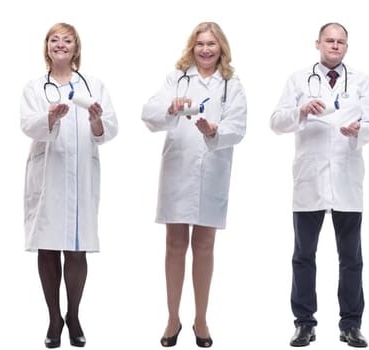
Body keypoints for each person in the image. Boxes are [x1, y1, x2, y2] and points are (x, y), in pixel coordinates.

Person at [270, 22, 369, 348]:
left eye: (341, 42)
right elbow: (276, 122)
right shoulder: (298, 79)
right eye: (329, 41)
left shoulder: (361, 80)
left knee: (351, 259)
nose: (335, 46)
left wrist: (359, 129)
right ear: (317, 42)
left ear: (347, 46)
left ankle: (351, 324)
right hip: (310, 181)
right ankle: (304, 323)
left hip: (347, 178)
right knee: (303, 256)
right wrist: (300, 111)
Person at [140, 21, 246, 348]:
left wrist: (214, 131)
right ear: (192, 46)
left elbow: (239, 126)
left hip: (212, 170)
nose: (205, 49)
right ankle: (173, 317)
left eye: (211, 44)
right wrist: (169, 109)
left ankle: (201, 319)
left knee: (204, 246)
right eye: (200, 43)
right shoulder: (177, 78)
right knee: (174, 244)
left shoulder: (231, 84)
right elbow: (149, 114)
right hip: (178, 168)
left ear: (221, 48)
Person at [21, 22, 119, 349]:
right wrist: (49, 118)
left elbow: (110, 127)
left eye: (67, 40)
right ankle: (53, 318)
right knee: (48, 247)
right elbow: (27, 124)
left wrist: (95, 122)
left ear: (76, 48)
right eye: (54, 39)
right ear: (46, 46)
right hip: (48, 175)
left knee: (76, 250)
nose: (60, 44)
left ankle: (74, 315)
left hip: (80, 175)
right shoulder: (35, 87)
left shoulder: (94, 85)